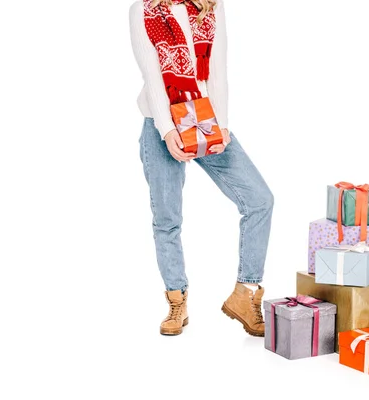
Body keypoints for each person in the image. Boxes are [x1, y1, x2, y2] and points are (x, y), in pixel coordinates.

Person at [129, 0, 274, 337]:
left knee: (260, 200)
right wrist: (167, 131)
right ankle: (177, 301)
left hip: (206, 119)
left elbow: (218, 70)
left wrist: (222, 126)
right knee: (167, 220)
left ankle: (245, 293)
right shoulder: (143, 10)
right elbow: (152, 77)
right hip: (159, 124)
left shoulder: (211, 6)